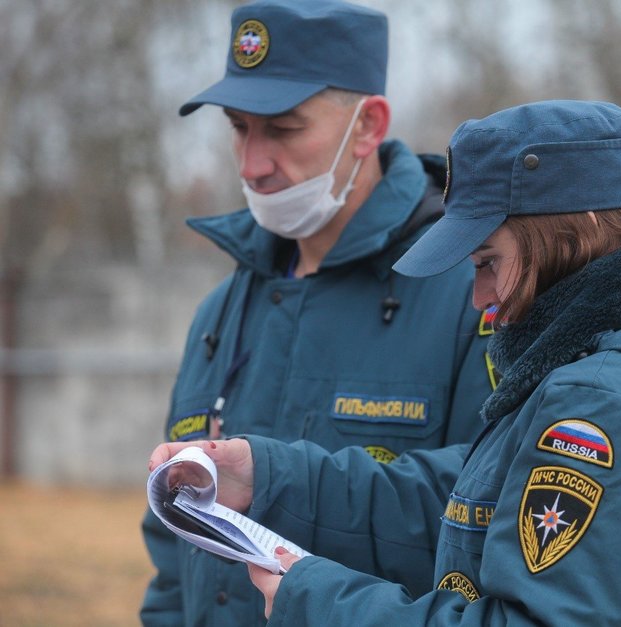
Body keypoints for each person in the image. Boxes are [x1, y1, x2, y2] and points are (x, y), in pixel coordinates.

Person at [149, 100, 621, 625]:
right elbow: (468, 500)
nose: (480, 299)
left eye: (488, 263)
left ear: (564, 240)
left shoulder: (618, 408)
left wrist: (315, 596)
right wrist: (270, 477)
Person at [140, 1, 497, 625]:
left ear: (367, 126)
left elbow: (490, 503)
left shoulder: (470, 293)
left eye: (282, 129)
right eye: (239, 127)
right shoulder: (221, 312)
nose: (253, 163)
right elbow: (173, 543)